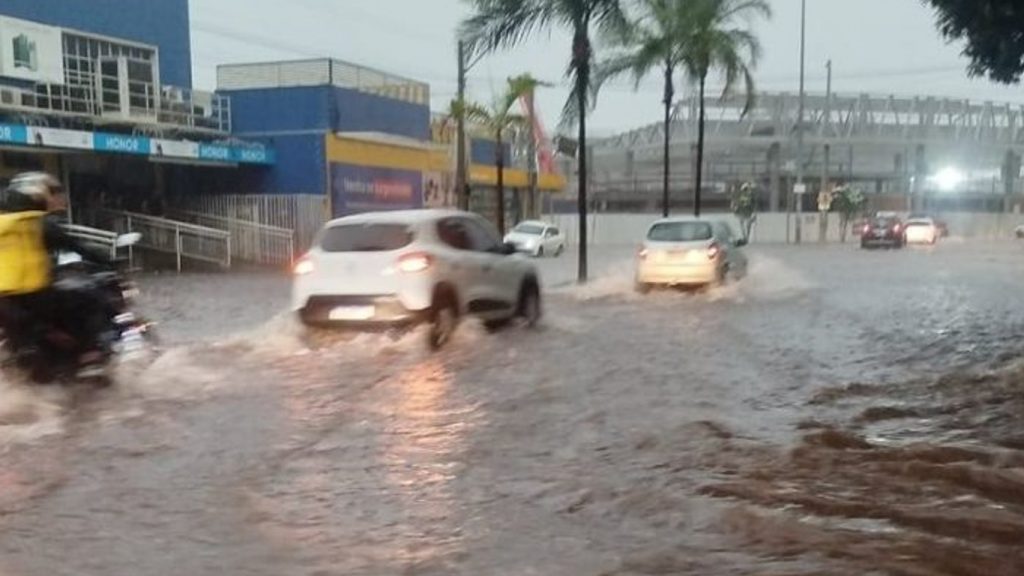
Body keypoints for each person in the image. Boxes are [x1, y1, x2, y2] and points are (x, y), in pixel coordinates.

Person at [0, 172, 113, 371]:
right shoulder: (40, 223)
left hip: (5, 304)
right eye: (52, 192)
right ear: (38, 196)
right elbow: (80, 248)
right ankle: (89, 357)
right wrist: (109, 260)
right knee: (92, 297)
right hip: (36, 298)